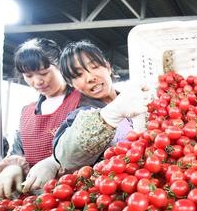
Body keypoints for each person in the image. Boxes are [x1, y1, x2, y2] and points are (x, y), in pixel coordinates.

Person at [0, 38, 86, 198]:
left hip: (77, 196)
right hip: (36, 201)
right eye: (28, 75)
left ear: (61, 67)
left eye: (44, 73)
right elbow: (19, 149)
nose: (37, 81)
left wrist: (55, 162)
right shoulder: (27, 111)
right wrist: (14, 167)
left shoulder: (83, 101)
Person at [53, 40, 149, 172]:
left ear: (108, 67)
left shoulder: (135, 100)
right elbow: (67, 158)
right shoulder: (80, 116)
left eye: (94, 67)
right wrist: (109, 116)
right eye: (78, 75)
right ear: (71, 84)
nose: (90, 78)